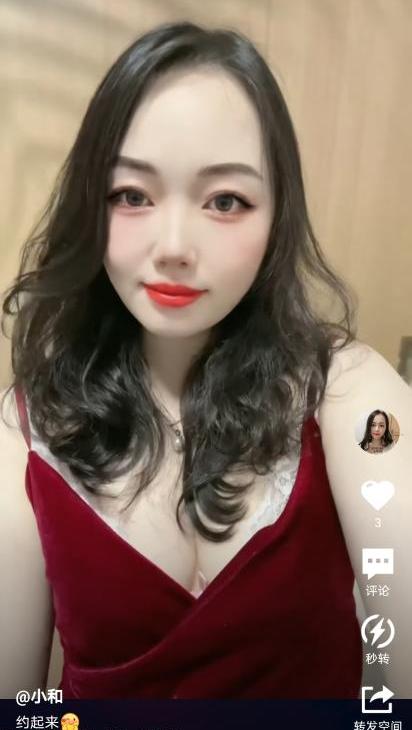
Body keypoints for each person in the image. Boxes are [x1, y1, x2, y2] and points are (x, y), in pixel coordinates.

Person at [0, 21, 411, 700]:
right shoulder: (26, 430)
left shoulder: (349, 391)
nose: (174, 247)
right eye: (132, 195)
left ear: (277, 217)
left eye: (225, 201)